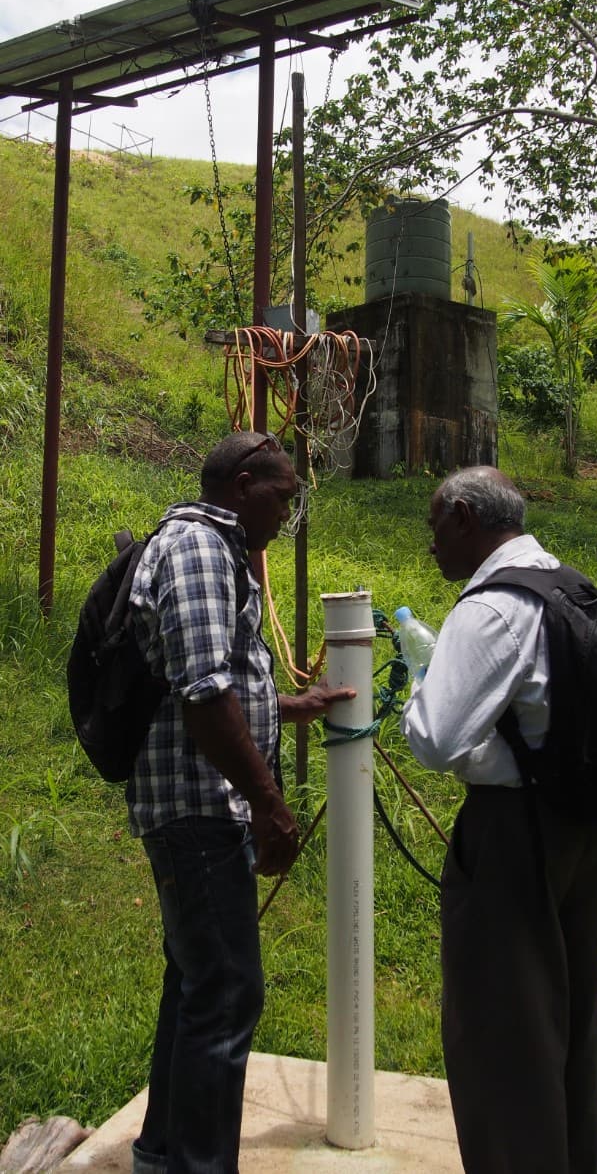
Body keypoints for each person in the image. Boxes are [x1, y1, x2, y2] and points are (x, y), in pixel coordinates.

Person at [126, 430, 355, 1174]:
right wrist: (269, 803)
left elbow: (222, 682)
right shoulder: (196, 548)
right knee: (227, 990)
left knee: (198, 981)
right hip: (197, 805)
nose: (289, 511)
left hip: (200, 800)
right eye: (285, 495)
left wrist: (294, 706)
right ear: (246, 483)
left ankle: (163, 1153)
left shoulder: (223, 553)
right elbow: (202, 695)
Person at [400, 466, 597, 1174]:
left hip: (512, 836)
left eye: (434, 527)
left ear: (463, 516)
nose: (431, 546)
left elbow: (436, 737)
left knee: (501, 1035)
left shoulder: (490, 607)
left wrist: (422, 683)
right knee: (568, 1022)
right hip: (581, 827)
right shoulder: (566, 583)